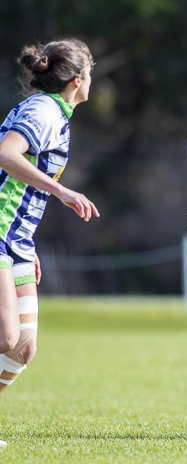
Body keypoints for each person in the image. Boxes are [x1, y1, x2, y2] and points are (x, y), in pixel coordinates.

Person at [0, 40, 99, 447]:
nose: (92, 80)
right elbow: (7, 155)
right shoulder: (43, 111)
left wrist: (29, 242)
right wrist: (63, 192)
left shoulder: (54, 112)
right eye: (91, 73)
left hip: (16, 238)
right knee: (5, 337)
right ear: (78, 80)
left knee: (22, 348)